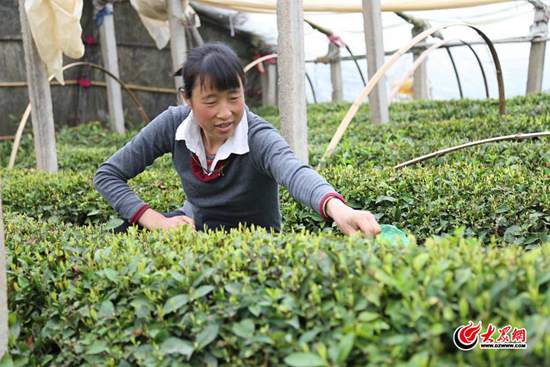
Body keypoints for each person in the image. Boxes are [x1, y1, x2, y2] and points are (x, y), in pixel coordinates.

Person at [94, 43, 380, 236]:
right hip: (196, 233)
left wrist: (339, 209)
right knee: (120, 235)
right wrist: (154, 219)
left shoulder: (257, 136)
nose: (225, 113)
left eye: (234, 98)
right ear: (187, 99)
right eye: (210, 101)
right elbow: (108, 174)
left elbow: (295, 173)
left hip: (255, 247)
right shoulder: (172, 123)